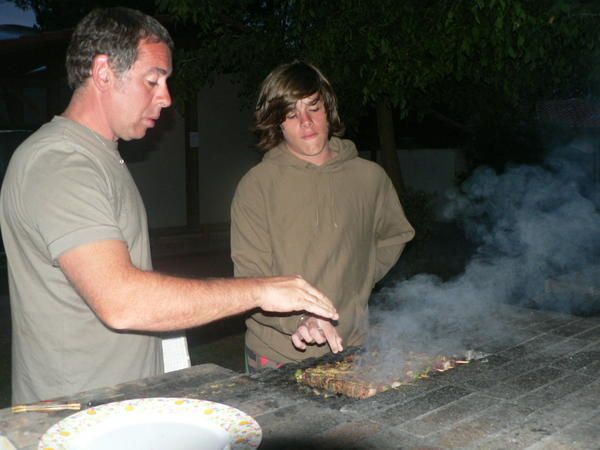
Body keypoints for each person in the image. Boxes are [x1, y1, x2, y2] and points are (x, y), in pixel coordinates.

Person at [0, 8, 338, 405]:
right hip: (79, 418)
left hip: (119, 405)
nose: (166, 97)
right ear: (104, 72)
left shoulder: (99, 157)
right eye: (153, 80)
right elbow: (122, 301)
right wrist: (260, 290)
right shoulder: (61, 163)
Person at [231, 61, 415, 372]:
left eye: (313, 107)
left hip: (351, 348)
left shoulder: (369, 178)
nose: (305, 121)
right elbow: (250, 282)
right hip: (277, 356)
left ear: (328, 108)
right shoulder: (257, 185)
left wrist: (360, 277)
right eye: (291, 113)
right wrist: (300, 318)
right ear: (276, 123)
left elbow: (395, 234)